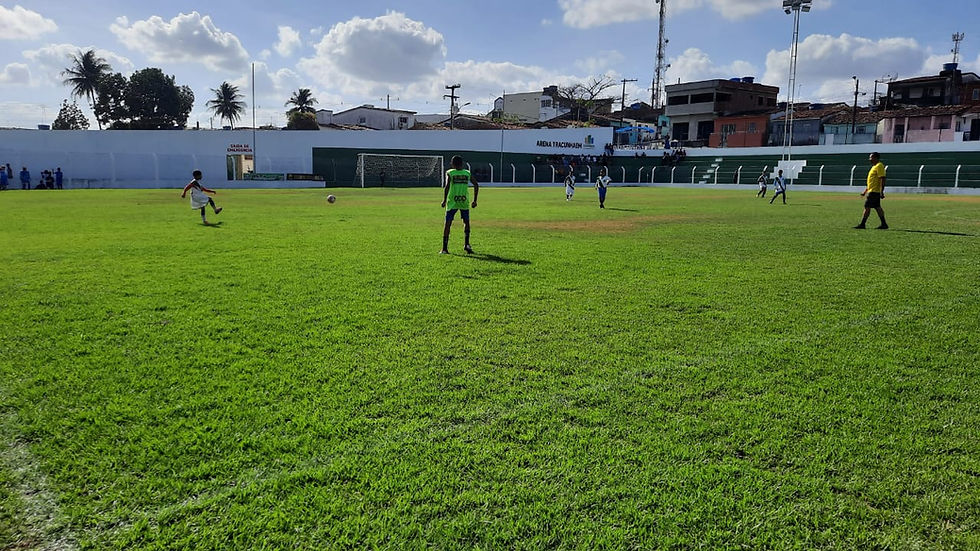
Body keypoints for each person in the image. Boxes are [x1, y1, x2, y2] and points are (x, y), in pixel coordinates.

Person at [440, 155, 479, 254]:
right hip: (463, 201)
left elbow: (447, 186)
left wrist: (444, 200)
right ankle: (467, 245)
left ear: (452, 164)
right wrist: (475, 200)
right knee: (466, 222)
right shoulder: (467, 173)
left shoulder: (450, 173)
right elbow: (476, 184)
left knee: (448, 224)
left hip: (452, 202)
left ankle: (444, 248)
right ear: (462, 163)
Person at [855, 152, 888, 230]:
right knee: (877, 207)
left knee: (867, 207)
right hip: (872, 191)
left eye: (871, 157)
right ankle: (884, 224)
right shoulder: (874, 167)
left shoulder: (879, 166)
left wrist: (881, 191)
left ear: (876, 158)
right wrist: (865, 191)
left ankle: (863, 224)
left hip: (874, 192)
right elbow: (872, 181)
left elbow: (882, 178)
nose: (870, 159)